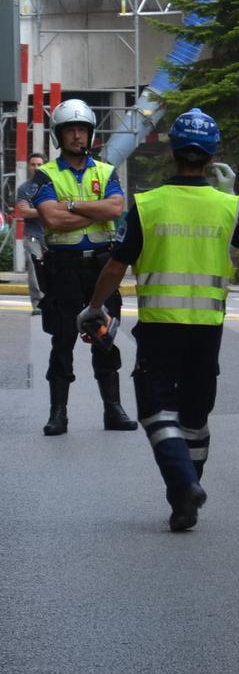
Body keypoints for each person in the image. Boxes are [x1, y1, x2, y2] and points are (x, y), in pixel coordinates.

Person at [81, 108, 239, 531]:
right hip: (207, 330)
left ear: (173, 151)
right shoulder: (228, 206)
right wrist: (236, 198)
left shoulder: (147, 205)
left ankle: (183, 486)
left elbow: (116, 266)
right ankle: (188, 493)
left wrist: (94, 306)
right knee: (195, 415)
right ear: (212, 154)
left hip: (161, 325)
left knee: (154, 407)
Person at [32, 99, 134, 436]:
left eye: (83, 129)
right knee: (62, 341)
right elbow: (51, 217)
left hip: (101, 268)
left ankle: (114, 411)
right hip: (63, 268)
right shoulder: (44, 174)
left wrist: (72, 205)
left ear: (90, 134)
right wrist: (93, 209)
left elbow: (115, 208)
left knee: (105, 337)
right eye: (70, 130)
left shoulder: (105, 171)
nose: (78, 136)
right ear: (59, 135)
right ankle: (58, 413)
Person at [15, 154, 49, 315]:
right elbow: (24, 213)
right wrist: (48, 210)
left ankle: (54, 302)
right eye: (33, 164)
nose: (36, 167)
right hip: (32, 235)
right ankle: (38, 305)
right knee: (35, 271)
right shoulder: (23, 189)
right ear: (29, 167)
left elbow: (62, 208)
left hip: (52, 234)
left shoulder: (53, 185)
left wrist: (34, 210)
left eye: (39, 164)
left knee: (55, 269)